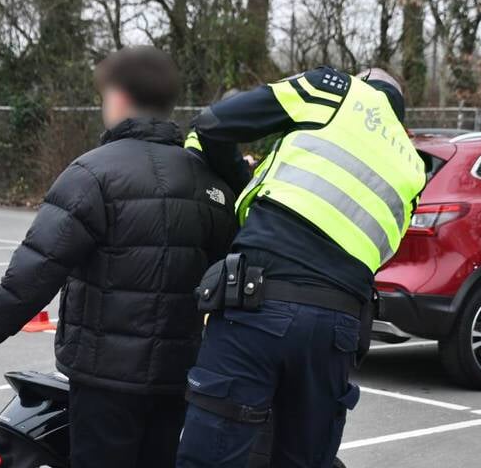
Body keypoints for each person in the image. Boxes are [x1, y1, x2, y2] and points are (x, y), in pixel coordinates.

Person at [0, 46, 238, 468]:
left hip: (104, 378)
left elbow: (36, 268)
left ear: (119, 97)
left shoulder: (91, 174)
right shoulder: (210, 183)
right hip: (177, 375)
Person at [177, 66, 427, 467]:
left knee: (213, 457)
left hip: (258, 302)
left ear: (362, 80)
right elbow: (380, 249)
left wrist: (243, 182)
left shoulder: (338, 90)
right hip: (338, 329)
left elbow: (215, 123)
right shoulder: (415, 167)